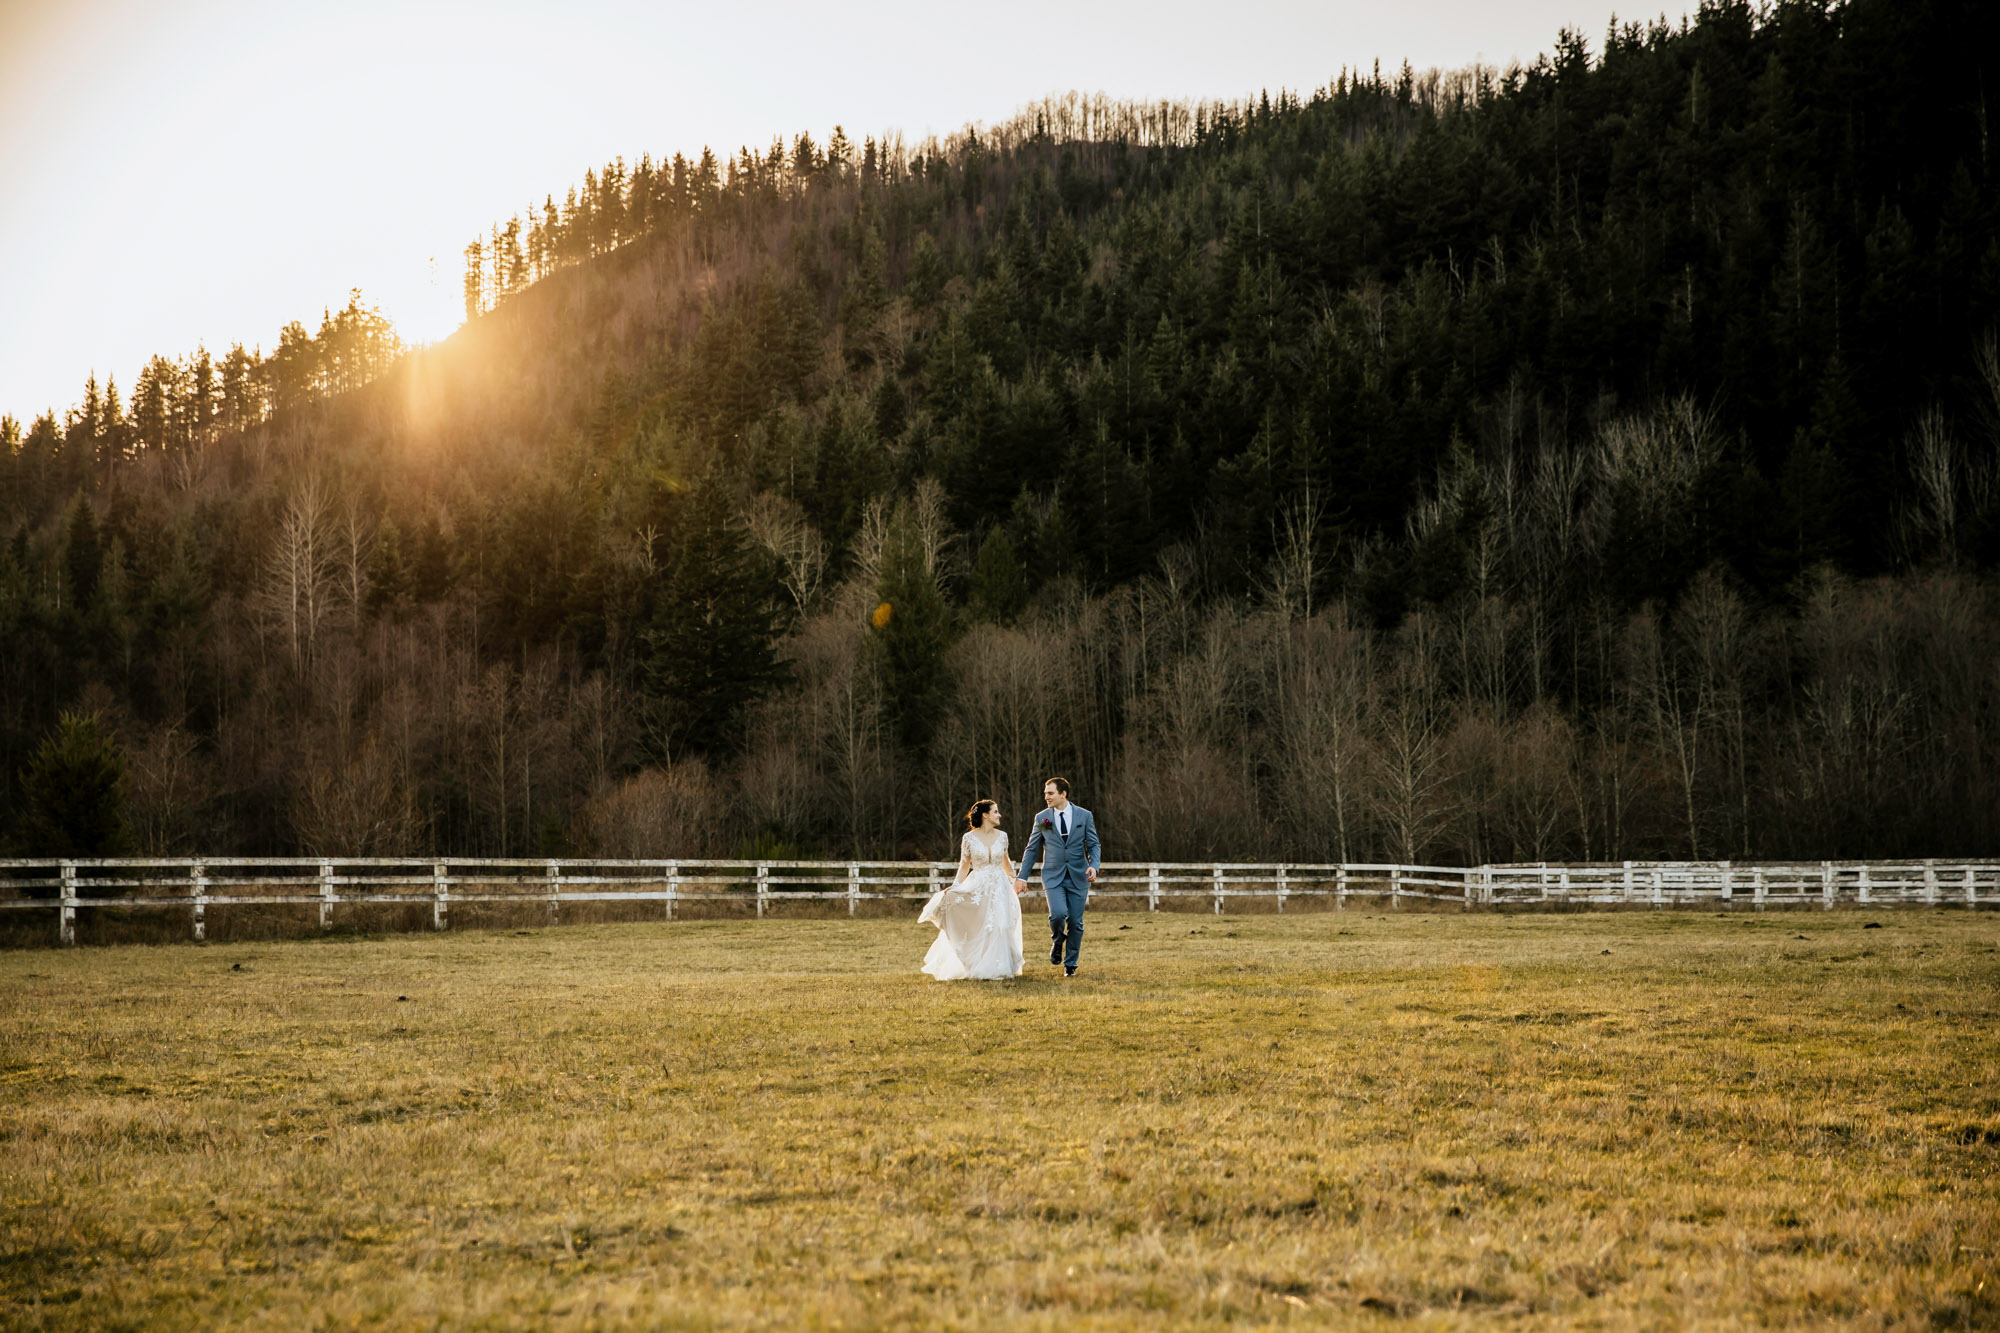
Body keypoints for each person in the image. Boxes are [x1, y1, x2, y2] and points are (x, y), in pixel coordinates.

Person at [918, 798, 1025, 980]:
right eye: (995, 812)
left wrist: (1016, 879)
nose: (999, 815)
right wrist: (956, 886)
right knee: (983, 926)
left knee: (1002, 925)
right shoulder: (969, 838)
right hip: (978, 886)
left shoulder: (1003, 836)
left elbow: (1006, 862)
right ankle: (979, 964)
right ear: (985, 815)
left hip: (1000, 887)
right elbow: (964, 865)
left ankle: (1001, 966)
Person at [1016, 776, 1100, 977]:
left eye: (1050, 793)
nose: (1046, 797)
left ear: (1063, 794)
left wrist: (1094, 866)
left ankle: (1070, 965)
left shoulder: (1083, 816)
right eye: (1045, 793)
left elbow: (1094, 844)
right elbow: (1033, 848)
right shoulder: (1044, 818)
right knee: (1058, 914)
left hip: (1079, 876)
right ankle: (1057, 939)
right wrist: (1022, 877)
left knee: (1075, 923)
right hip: (1053, 876)